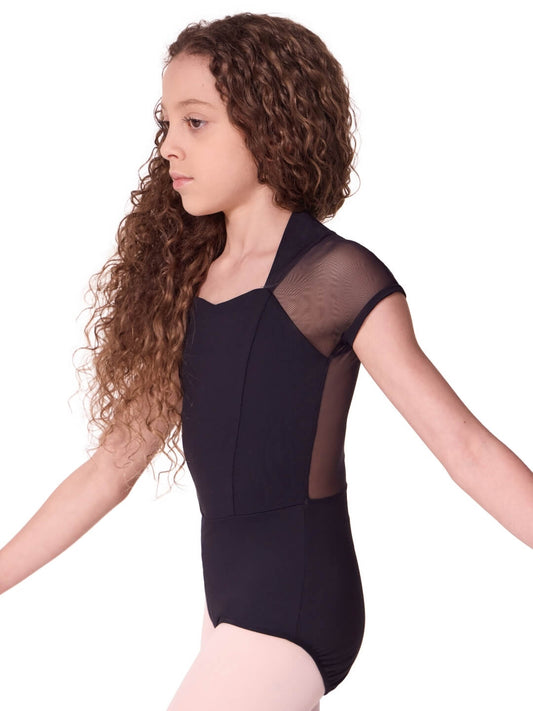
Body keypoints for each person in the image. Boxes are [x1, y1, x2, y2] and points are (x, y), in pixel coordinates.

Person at [0, 11, 531, 711]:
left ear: (269, 125)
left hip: (294, 603)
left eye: (196, 122)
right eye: (165, 123)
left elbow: (463, 447)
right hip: (228, 604)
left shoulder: (330, 278)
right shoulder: (186, 285)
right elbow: (111, 468)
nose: (169, 145)